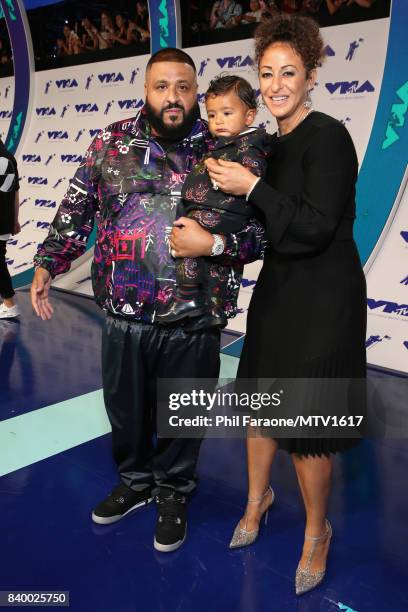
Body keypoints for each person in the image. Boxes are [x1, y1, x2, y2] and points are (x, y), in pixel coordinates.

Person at [31, 48, 264, 553]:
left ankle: (174, 493)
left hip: (195, 315)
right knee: (126, 409)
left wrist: (218, 245)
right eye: (162, 86)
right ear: (146, 89)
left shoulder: (228, 149)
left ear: (196, 92)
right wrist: (49, 262)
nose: (173, 98)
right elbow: (77, 207)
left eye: (183, 87)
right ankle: (136, 483)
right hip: (123, 313)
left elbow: (259, 235)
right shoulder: (110, 142)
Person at [205, 14, 366, 594]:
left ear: (312, 72)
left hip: (324, 298)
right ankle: (256, 500)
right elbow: (256, 230)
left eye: (289, 72)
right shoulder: (263, 144)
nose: (276, 84)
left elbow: (314, 227)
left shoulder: (328, 135)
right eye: (267, 72)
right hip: (278, 289)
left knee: (306, 422)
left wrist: (250, 188)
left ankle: (317, 532)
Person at [157, 75, 270, 328]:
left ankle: (203, 304)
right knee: (196, 257)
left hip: (226, 214)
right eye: (212, 115)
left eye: (227, 113)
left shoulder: (251, 146)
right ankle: (198, 304)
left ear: (249, 116)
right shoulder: (222, 145)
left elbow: (250, 176)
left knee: (205, 258)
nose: (218, 121)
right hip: (210, 212)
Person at [0, 140, 21, 319]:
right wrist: (14, 221)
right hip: (4, 220)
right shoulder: (10, 158)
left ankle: (9, 303)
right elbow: (15, 193)